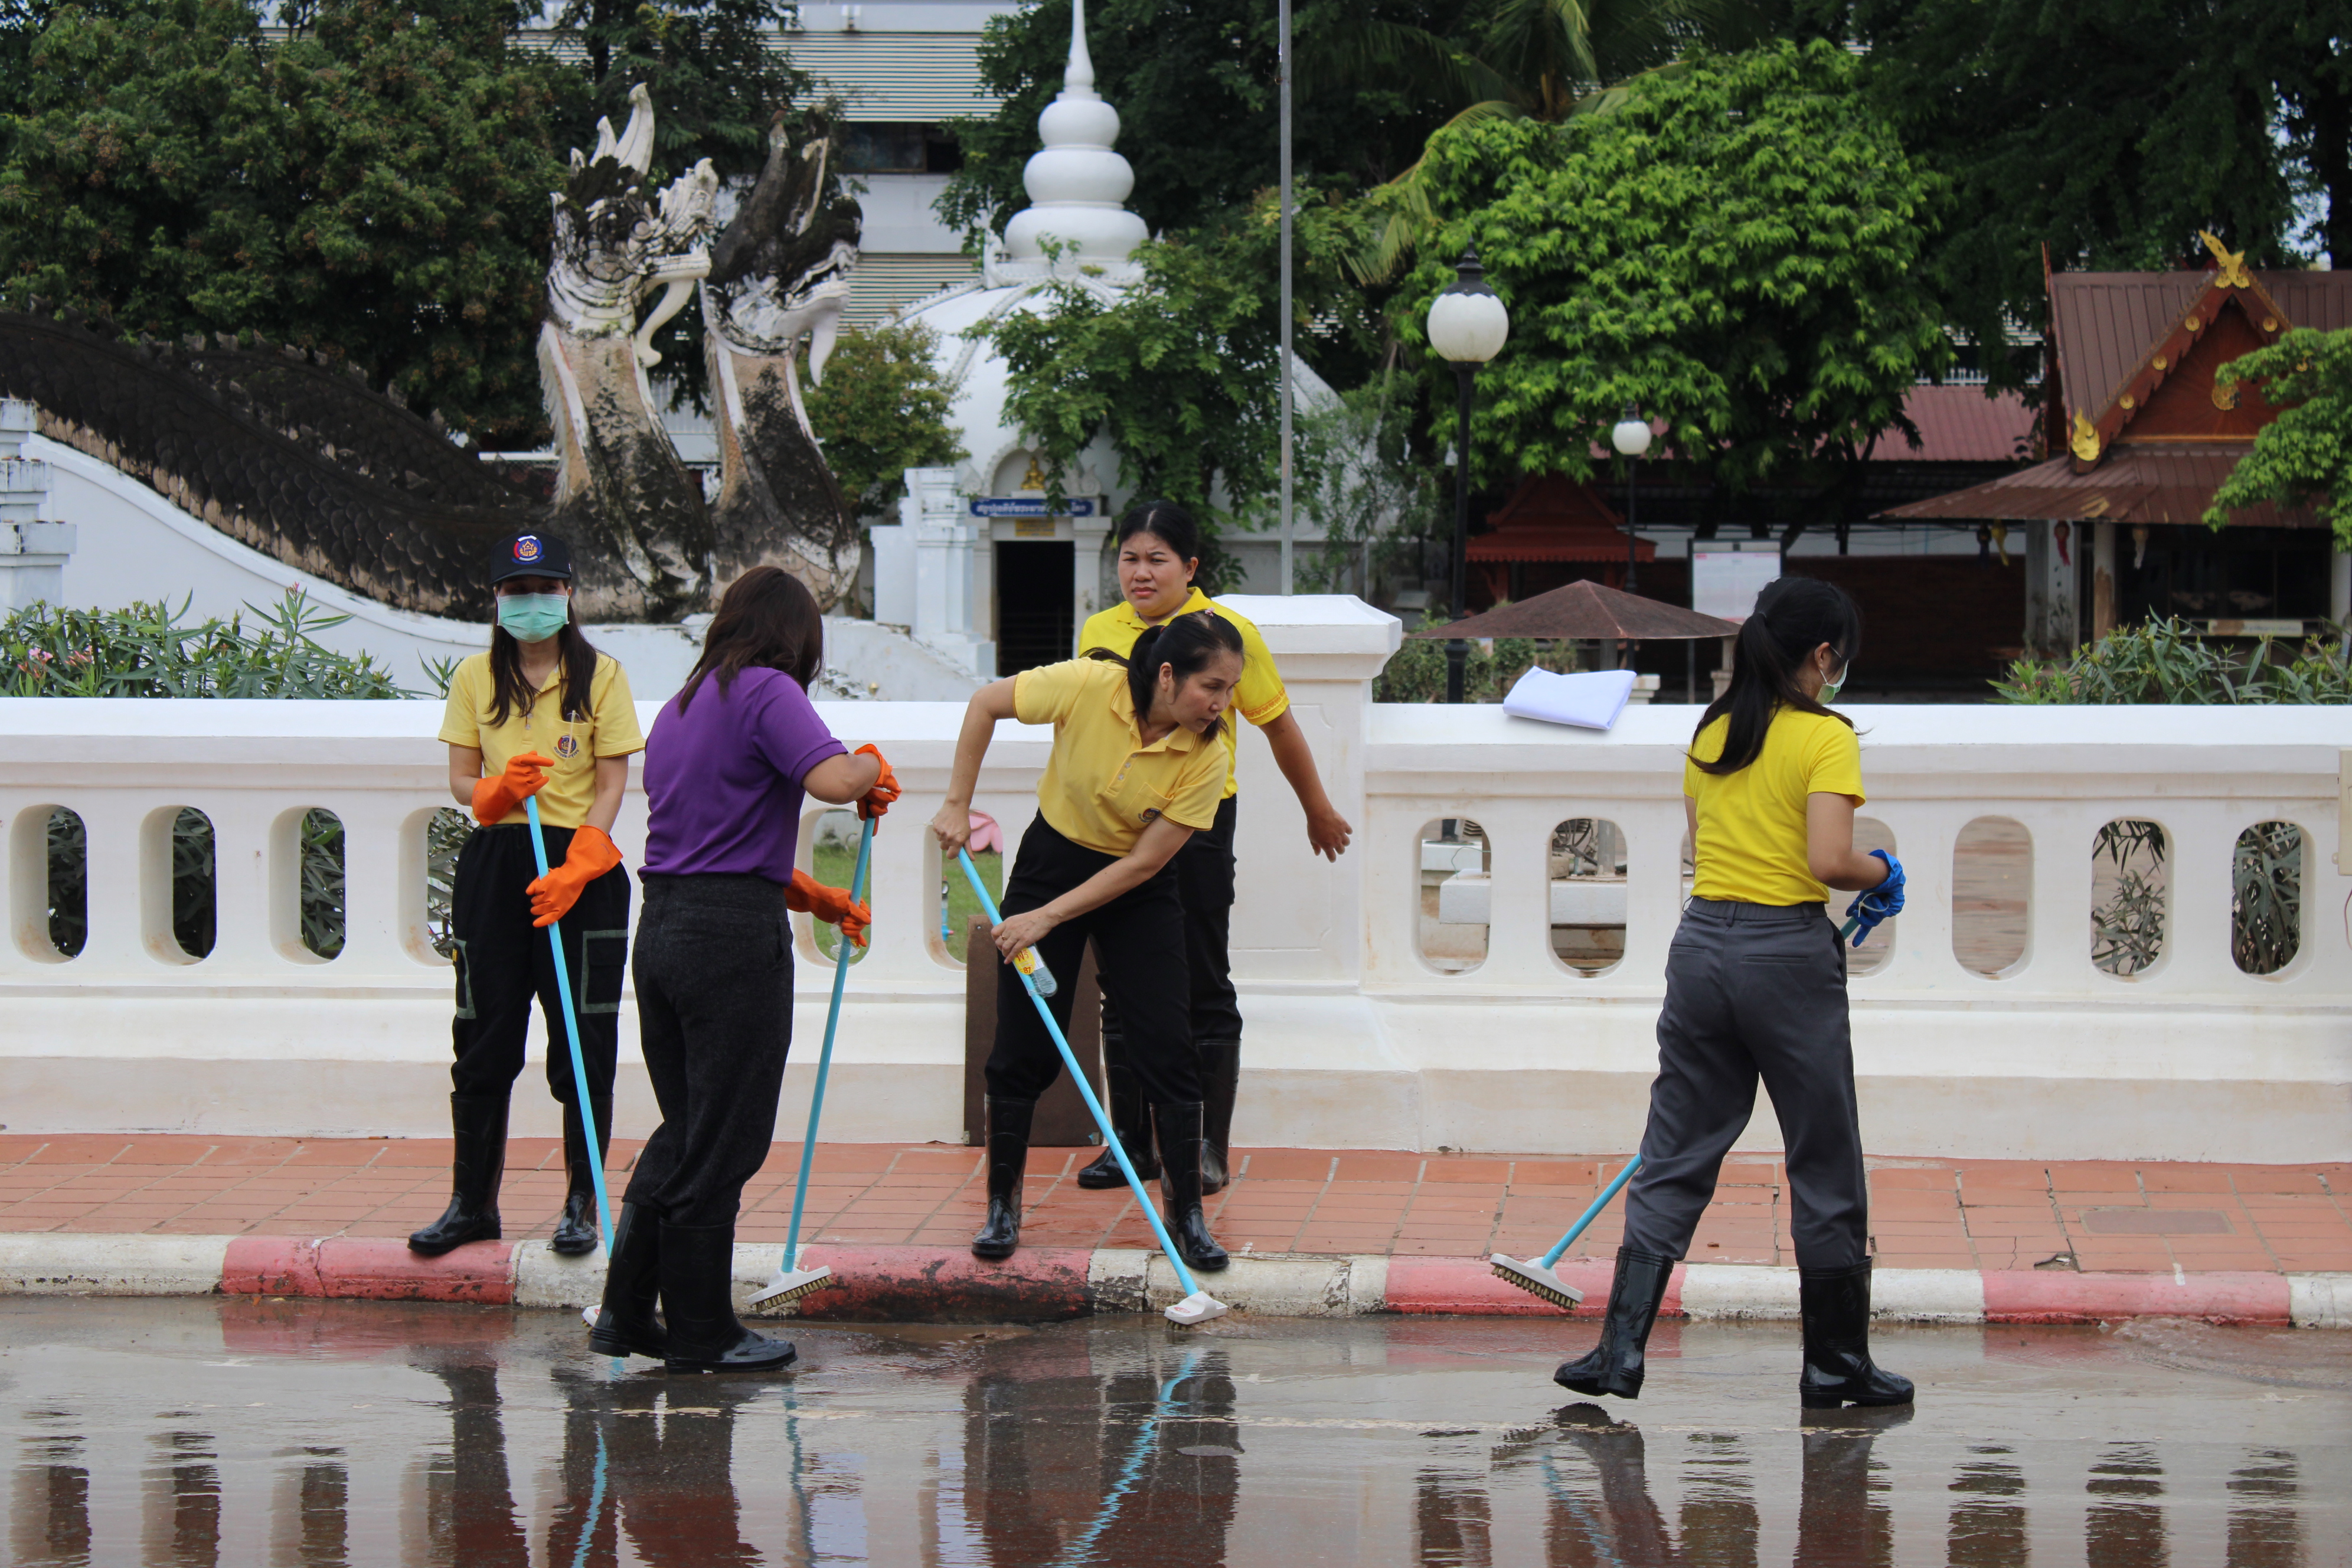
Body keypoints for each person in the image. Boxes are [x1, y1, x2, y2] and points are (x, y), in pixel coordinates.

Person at [1556, 576, 1911, 1409]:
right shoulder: (1826, 739)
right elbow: (1829, 861)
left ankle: (1619, 1351)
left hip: (1702, 947)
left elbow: (1697, 841)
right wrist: (1886, 871)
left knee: (1675, 1150)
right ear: (1823, 656)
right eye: (1840, 660)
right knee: (1822, 1155)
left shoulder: (1711, 730)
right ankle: (1834, 1364)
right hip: (1786, 956)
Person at [587, 567, 896, 1374]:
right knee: (725, 1137)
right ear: (797, 637)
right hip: (731, 942)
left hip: (664, 929)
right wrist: (868, 766)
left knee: (687, 1128)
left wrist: (810, 896)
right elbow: (832, 781)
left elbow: (710, 843)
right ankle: (702, 1330)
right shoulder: (767, 692)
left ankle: (624, 1315)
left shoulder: (683, 706)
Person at [931, 610, 1246, 1270]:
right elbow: (986, 702)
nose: (1220, 704)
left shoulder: (1210, 755)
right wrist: (958, 802)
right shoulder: (1085, 684)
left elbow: (1143, 865)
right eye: (1210, 687)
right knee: (1022, 1042)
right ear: (1167, 674)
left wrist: (1048, 918)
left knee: (1167, 1040)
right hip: (1054, 858)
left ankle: (1186, 1215)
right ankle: (1002, 1205)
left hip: (1138, 885)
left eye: (1228, 691)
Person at [1073, 501, 1352, 1196]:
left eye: (1156, 559)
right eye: (1130, 558)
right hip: (1117, 821)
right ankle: (1131, 1145)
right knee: (1119, 985)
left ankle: (1204, 1150)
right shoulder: (1099, 630)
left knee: (1201, 980)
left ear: (1190, 567)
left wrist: (1317, 809)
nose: (1140, 573)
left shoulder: (1228, 634)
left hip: (1197, 823)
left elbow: (1278, 726)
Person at [413, 531, 643, 1260]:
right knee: (482, 1037)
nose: (530, 604)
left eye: (544, 589)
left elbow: (612, 780)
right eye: (516, 591)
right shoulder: (475, 677)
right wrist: (497, 789)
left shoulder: (601, 674)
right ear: (496, 598)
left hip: (579, 862)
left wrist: (585, 857)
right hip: (498, 861)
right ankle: (471, 1203)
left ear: (568, 594)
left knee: (582, 1038)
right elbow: (460, 781)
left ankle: (581, 1202)